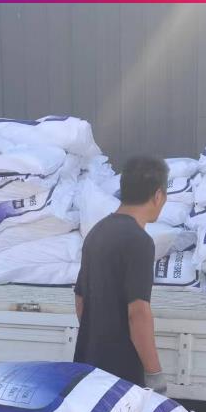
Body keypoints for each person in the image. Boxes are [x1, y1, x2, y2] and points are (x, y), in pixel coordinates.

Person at [73, 156, 168, 392]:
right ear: (158, 195)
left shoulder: (97, 231)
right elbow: (138, 313)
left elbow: (80, 300)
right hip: (122, 376)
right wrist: (154, 373)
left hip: (90, 367)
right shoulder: (139, 241)